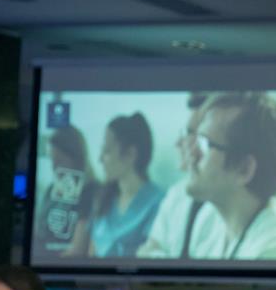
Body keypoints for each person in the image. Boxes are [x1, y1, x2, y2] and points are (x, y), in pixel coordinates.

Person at [187, 92, 276, 261]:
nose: (190, 153)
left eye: (205, 144)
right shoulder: (208, 217)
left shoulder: (275, 250)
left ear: (244, 169)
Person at [137, 93, 215, 259]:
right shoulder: (176, 193)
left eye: (189, 133)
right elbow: (148, 249)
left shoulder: (228, 202)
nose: (179, 143)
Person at [90, 113, 164, 258]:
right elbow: (92, 253)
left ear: (130, 154)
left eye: (107, 151)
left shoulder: (158, 203)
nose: (99, 159)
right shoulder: (102, 199)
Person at [33, 125, 98, 259]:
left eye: (60, 161)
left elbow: (78, 249)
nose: (54, 167)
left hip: (65, 265)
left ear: (77, 159)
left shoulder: (91, 192)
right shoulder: (50, 190)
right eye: (52, 160)